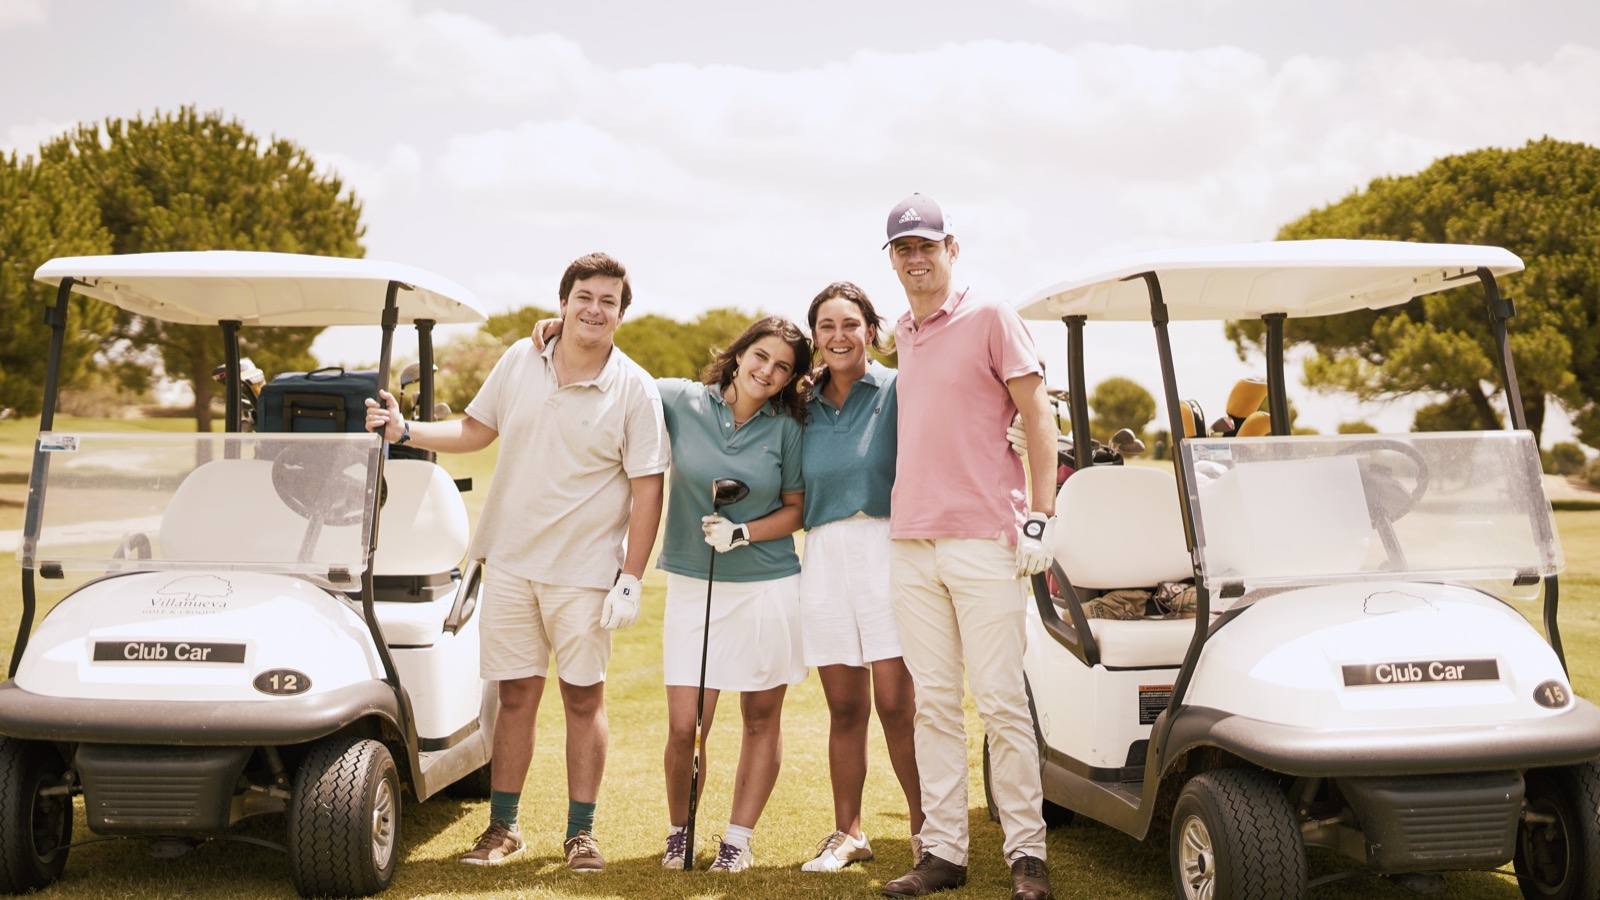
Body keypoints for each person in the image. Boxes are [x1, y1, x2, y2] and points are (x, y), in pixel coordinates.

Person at [364, 252, 668, 874]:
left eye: (608, 301)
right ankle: (504, 828)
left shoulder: (633, 387)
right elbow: (476, 432)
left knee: (584, 701)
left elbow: (648, 489)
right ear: (563, 303)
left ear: (621, 313)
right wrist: (404, 432)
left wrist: (631, 578)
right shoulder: (520, 360)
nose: (594, 309)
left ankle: (580, 833)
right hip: (508, 562)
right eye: (584, 295)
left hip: (585, 575)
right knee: (515, 696)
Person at [534, 314, 812, 873]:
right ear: (739, 353)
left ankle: (737, 839)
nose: (768, 371)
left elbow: (796, 508)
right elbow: (616, 372)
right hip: (693, 582)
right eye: (761, 356)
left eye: (783, 367)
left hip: (767, 585)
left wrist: (744, 532)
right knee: (686, 725)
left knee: (761, 716)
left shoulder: (786, 428)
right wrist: (563, 329)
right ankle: (680, 831)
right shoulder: (680, 400)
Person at [876, 195, 1060, 900]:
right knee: (934, 705)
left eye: (926, 245)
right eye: (902, 249)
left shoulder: (991, 315)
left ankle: (1027, 856)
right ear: (891, 258)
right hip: (912, 542)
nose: (915, 259)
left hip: (984, 537)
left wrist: (1040, 515)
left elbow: (1037, 413)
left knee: (1002, 702)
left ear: (950, 247)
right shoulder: (903, 329)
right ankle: (945, 852)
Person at [795, 282, 924, 873]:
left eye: (851, 324)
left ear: (872, 330)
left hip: (888, 550)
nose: (839, 335)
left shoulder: (902, 387)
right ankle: (848, 833)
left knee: (898, 703)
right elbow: (726, 391)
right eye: (827, 325)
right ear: (814, 336)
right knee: (845, 706)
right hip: (823, 555)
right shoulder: (798, 401)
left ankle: (929, 829)